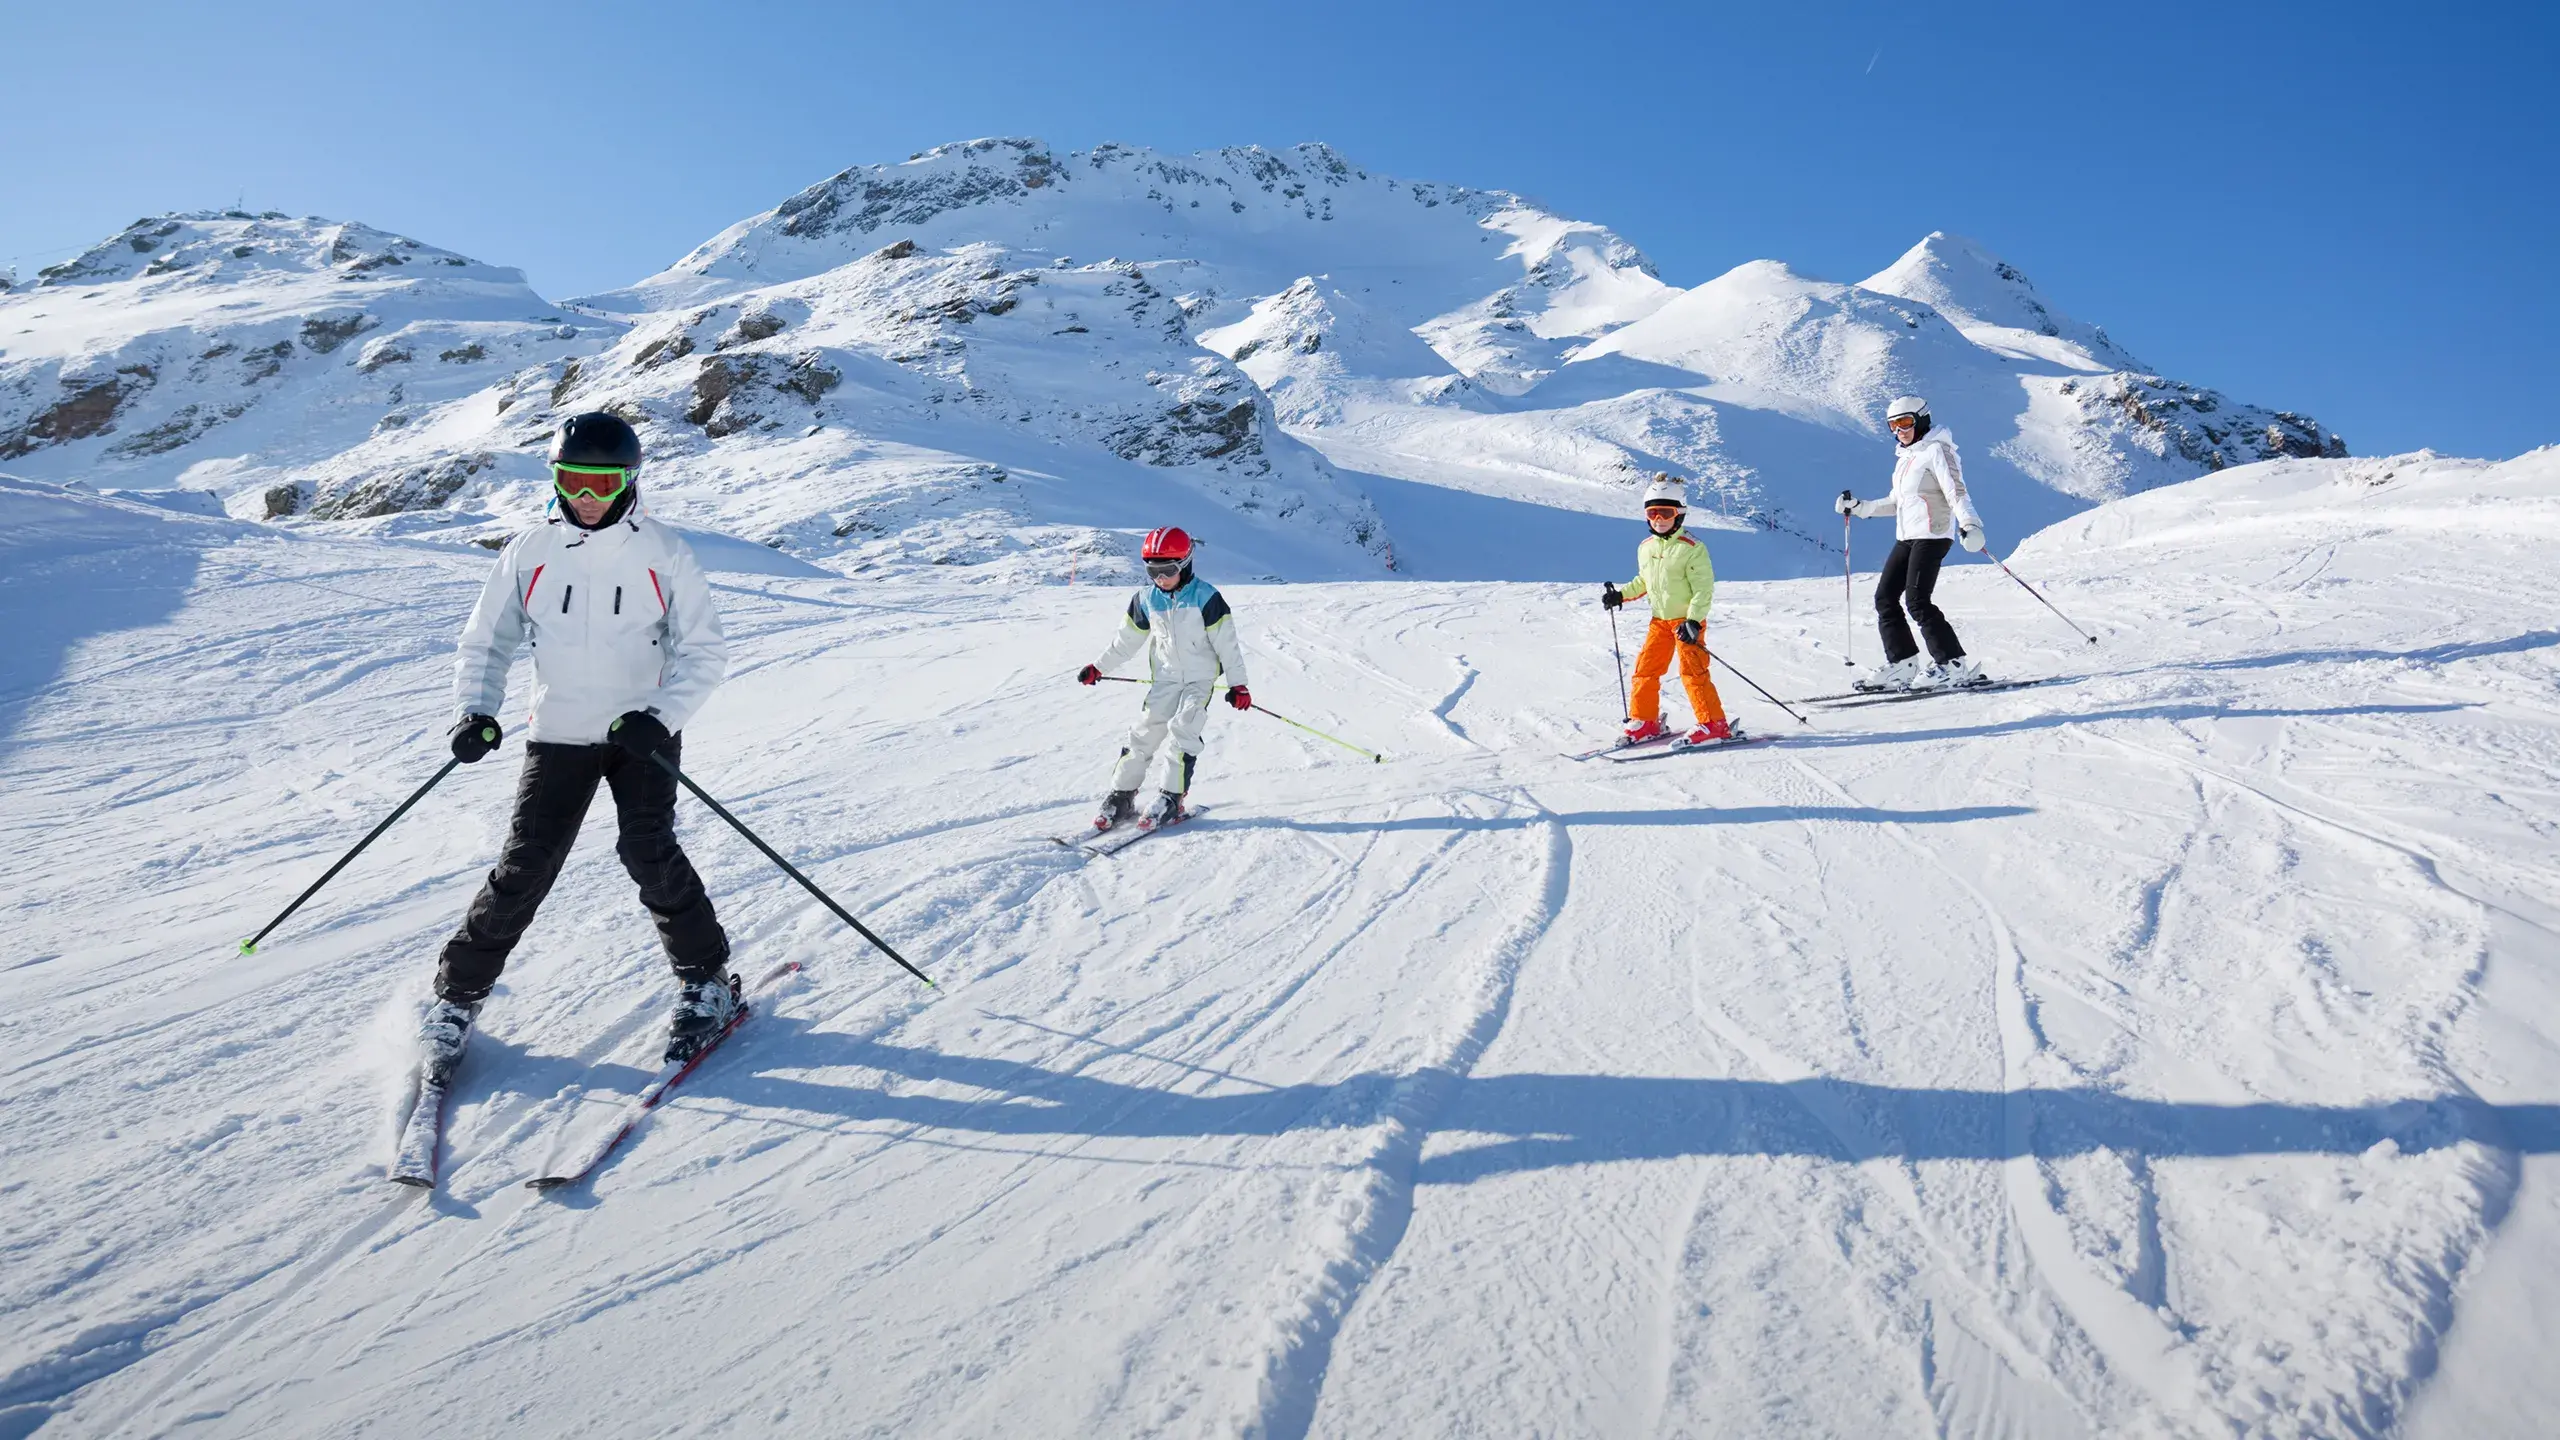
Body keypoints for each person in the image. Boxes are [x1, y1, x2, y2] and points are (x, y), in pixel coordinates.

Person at [417, 411, 736, 1080]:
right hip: (559, 730)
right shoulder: (528, 551)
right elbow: (487, 641)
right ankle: (456, 997)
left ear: (628, 481)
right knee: (526, 863)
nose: (587, 495)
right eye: (572, 478)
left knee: (648, 850)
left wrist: (662, 713)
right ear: (556, 479)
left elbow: (703, 652)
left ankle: (706, 980)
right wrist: (474, 711)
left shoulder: (665, 552)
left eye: (601, 479)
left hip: (640, 732)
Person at [1077, 526, 1250, 830]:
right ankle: (1122, 794)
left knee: (1184, 729)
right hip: (1166, 679)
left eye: (1167, 570)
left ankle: (1171, 797)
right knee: (1143, 732)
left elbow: (1227, 644)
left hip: (1199, 680)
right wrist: (1099, 667)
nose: (1160, 578)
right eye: (1152, 571)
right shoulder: (1146, 599)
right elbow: (1125, 641)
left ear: (1184, 565)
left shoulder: (1207, 598)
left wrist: (1238, 685)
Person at [1837, 395, 1989, 691]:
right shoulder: (1906, 459)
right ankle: (1903, 664)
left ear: (1921, 420)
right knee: (1884, 598)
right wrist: (1860, 507)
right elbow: (1897, 502)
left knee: (1917, 601)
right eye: (1893, 425)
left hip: (1932, 535)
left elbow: (1956, 492)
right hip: (1907, 537)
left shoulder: (1937, 451)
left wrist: (1971, 524)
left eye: (1905, 423)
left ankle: (1952, 664)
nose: (1899, 430)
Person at [1600, 475, 1737, 747]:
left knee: (1693, 673)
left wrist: (1694, 621)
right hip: (1659, 622)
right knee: (1645, 671)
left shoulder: (1692, 548)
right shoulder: (1645, 548)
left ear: (1680, 514)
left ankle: (1714, 724)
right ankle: (1645, 721)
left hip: (1686, 623)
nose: (1659, 518)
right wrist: (1620, 595)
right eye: (1653, 512)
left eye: (1666, 512)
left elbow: (1703, 589)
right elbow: (1644, 582)